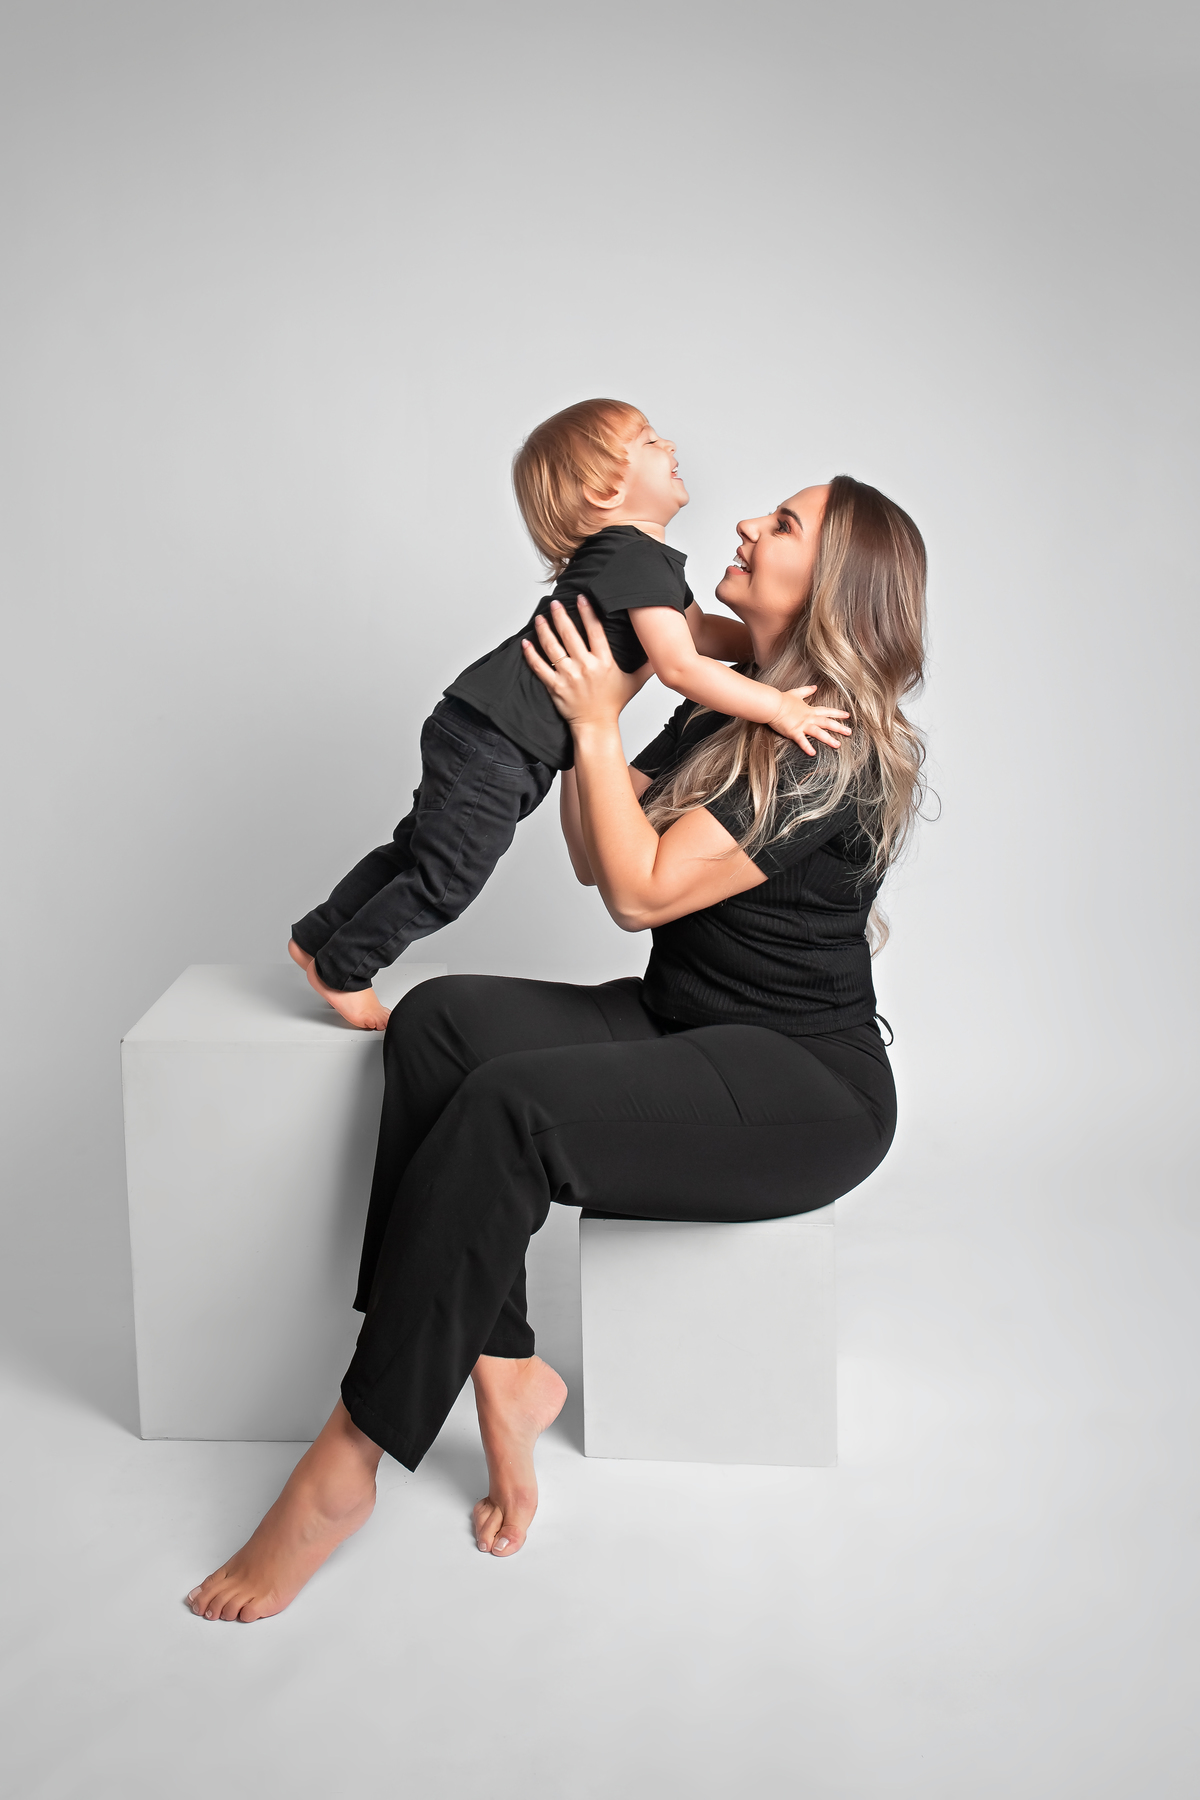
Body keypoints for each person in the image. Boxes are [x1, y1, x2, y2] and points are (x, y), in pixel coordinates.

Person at [186, 473, 927, 1624]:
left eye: (783, 524)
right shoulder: (728, 702)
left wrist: (591, 723)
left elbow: (639, 894)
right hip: (684, 1022)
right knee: (441, 1025)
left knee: (513, 1109)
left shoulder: (828, 743)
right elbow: (596, 853)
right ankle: (505, 1369)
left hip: (804, 1088)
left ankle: (348, 1460)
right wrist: (601, 718)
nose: (745, 522)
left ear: (835, 586)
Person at [287, 399, 849, 1031]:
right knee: (446, 878)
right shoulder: (635, 556)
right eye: (650, 441)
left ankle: (318, 937)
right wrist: (778, 706)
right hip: (499, 741)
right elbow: (680, 665)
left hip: (482, 727)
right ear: (605, 490)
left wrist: (783, 648)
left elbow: (697, 633)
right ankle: (345, 969)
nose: (669, 446)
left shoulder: (638, 558)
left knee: (415, 849)